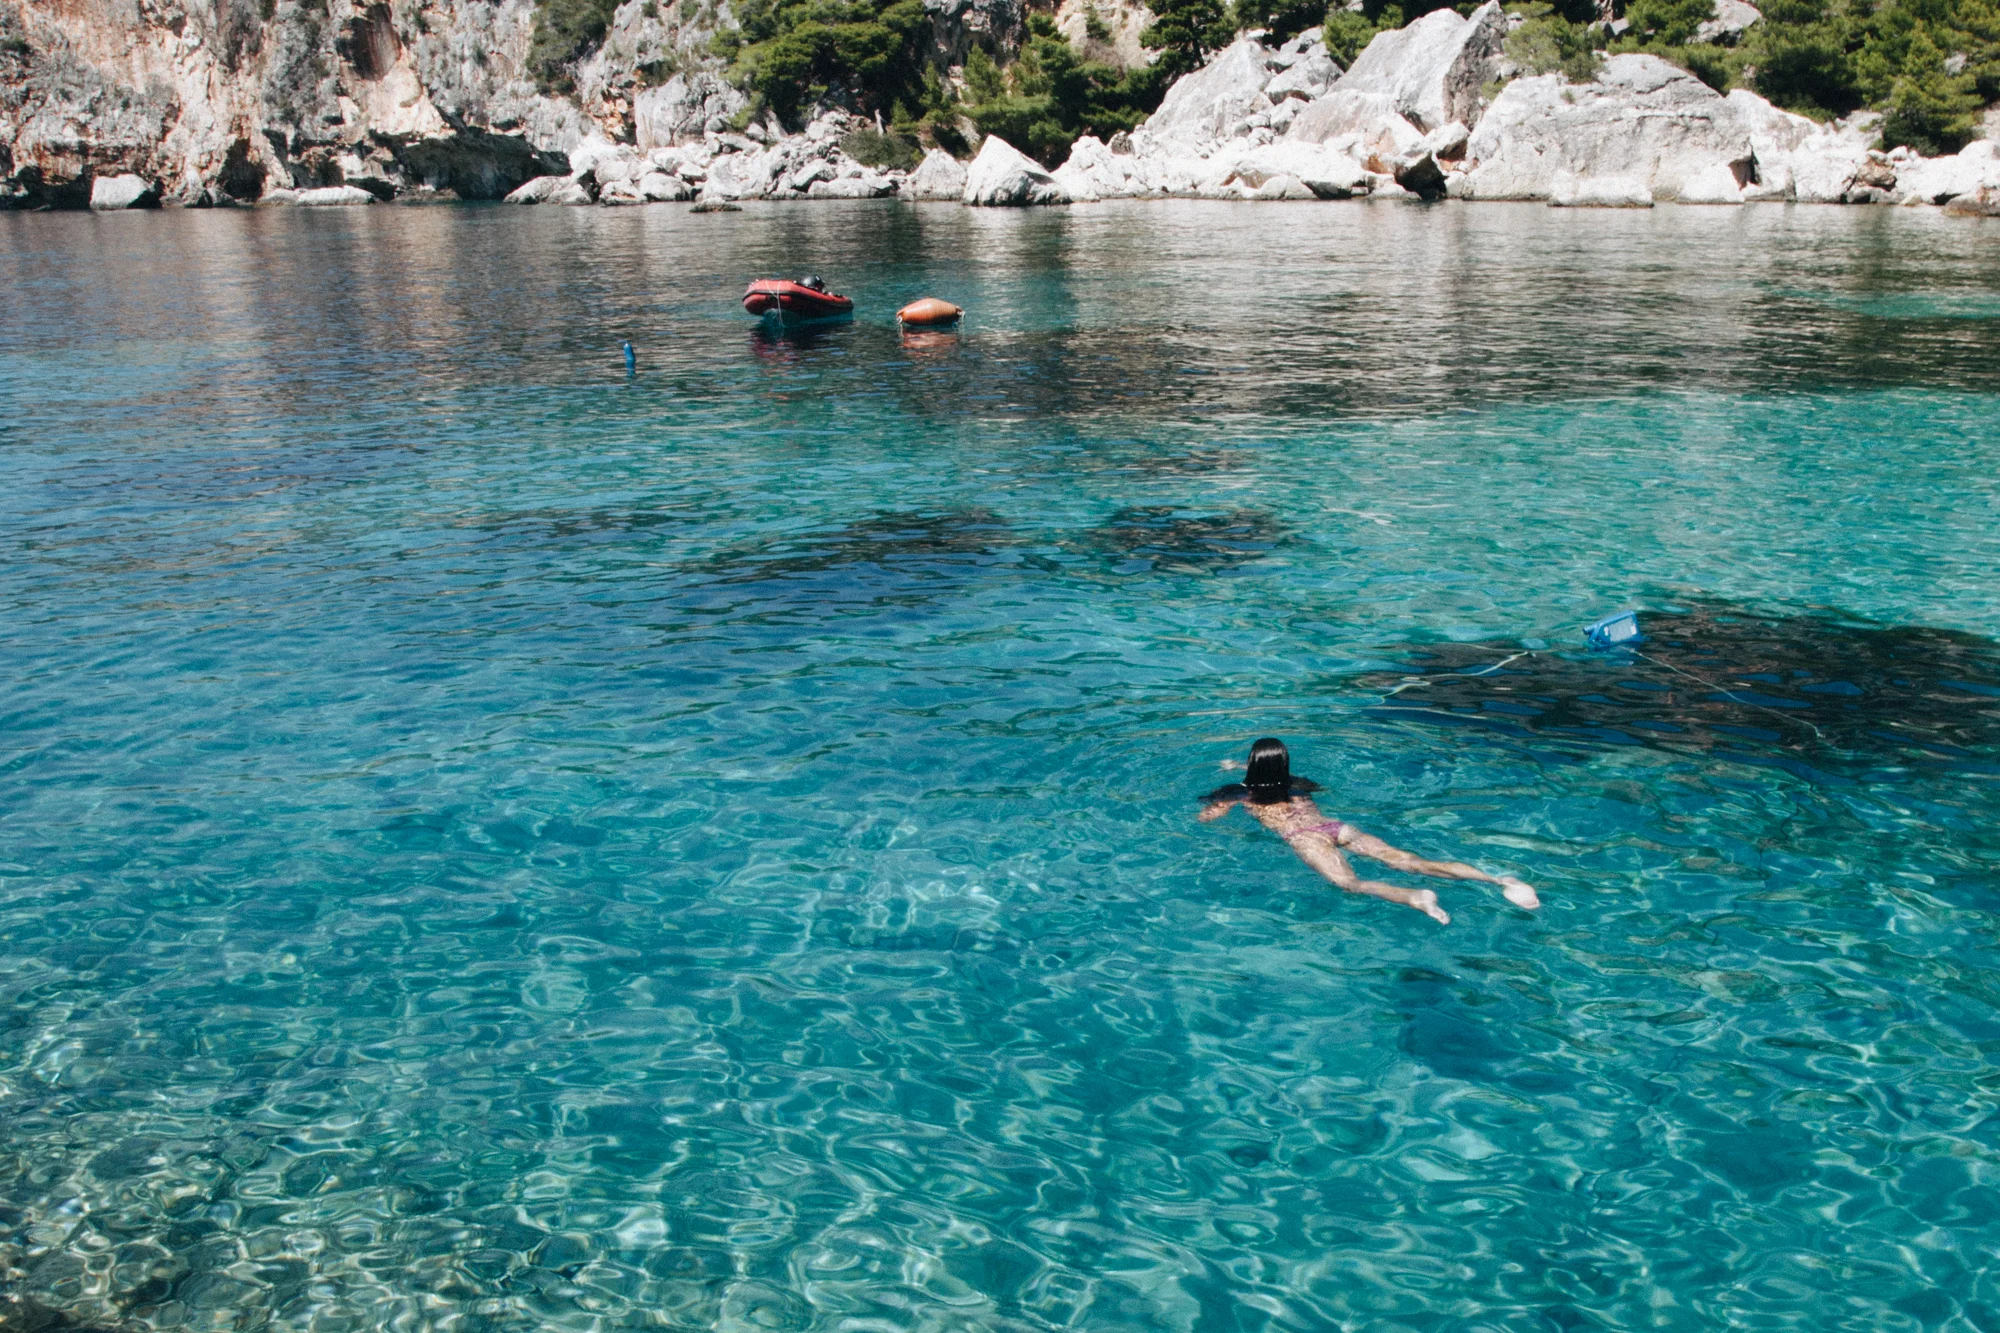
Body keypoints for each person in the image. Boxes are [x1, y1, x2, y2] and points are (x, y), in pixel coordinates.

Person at [1198, 738, 1541, 925]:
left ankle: (1414, 897)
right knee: (1407, 859)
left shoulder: (1238, 792)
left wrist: (1218, 802)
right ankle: (1500, 881)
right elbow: (1278, 777)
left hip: (1304, 838)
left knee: (1351, 884)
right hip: (1337, 827)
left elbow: (1208, 819)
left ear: (1252, 765)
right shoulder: (1300, 783)